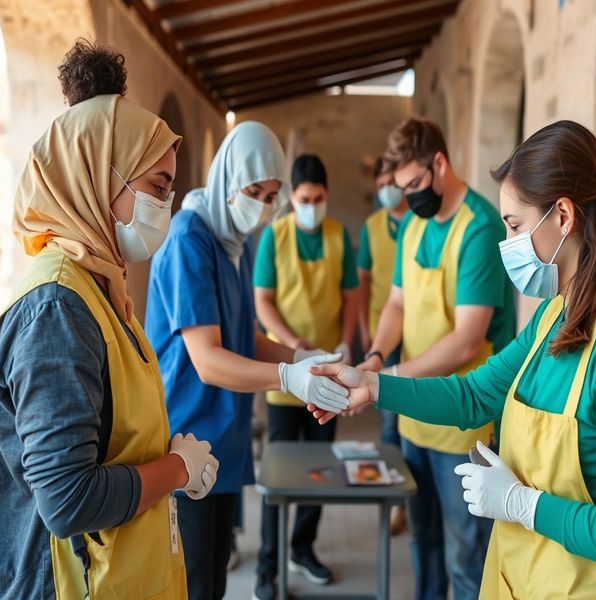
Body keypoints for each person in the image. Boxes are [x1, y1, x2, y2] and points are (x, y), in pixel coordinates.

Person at [308, 120, 596, 599]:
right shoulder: (555, 313)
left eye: (515, 226)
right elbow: (476, 393)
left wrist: (527, 506)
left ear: (563, 216)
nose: (509, 243)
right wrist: (373, 385)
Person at [0, 40, 219, 599]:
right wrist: (176, 468)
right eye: (156, 189)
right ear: (100, 181)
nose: (165, 208)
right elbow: (67, 499)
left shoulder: (97, 288)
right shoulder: (57, 308)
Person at [145, 126, 348, 600]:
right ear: (227, 179)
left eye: (271, 195)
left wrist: (302, 357)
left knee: (213, 579)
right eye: (253, 191)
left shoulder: (237, 241)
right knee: (192, 581)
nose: (261, 204)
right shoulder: (189, 238)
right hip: (186, 435)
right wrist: (287, 378)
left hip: (223, 437)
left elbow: (241, 335)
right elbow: (209, 361)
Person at [355, 118, 516, 600]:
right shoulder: (411, 224)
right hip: (414, 421)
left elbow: (468, 341)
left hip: (461, 423)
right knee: (422, 541)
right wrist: (376, 355)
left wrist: (391, 377)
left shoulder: (480, 228)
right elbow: (398, 304)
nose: (408, 197)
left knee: (466, 556)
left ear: (439, 164)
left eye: (414, 185)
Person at [252, 154, 359, 598]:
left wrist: (347, 344)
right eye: (303, 199)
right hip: (285, 375)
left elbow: (350, 297)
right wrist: (295, 346)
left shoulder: (339, 237)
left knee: (319, 469)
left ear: (326, 195)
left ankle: (302, 548)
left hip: (329, 374)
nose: (311, 205)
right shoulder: (274, 238)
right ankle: (267, 565)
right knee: (277, 471)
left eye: (317, 199)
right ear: (291, 199)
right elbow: (263, 303)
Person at [357, 155, 410, 534]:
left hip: (420, 336)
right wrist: (366, 332)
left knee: (417, 411)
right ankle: (397, 502)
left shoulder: (418, 223)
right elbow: (362, 283)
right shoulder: (373, 226)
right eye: (382, 184)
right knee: (390, 422)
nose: (388, 189)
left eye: (393, 181)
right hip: (385, 334)